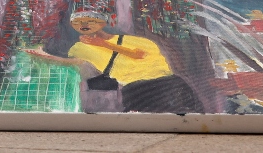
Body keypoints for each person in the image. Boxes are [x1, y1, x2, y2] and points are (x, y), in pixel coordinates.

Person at [25, 9, 203, 113]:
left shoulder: (133, 40)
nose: (84, 24)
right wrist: (44, 56)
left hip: (167, 85)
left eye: (90, 20)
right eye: (78, 22)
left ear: (102, 23)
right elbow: (76, 63)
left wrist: (103, 43)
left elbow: (138, 54)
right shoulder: (81, 48)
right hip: (133, 90)